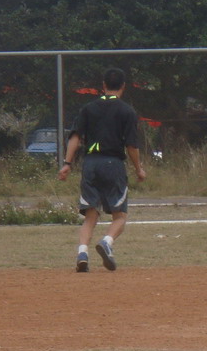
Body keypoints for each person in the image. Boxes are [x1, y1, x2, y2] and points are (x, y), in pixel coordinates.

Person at [58, 67, 146, 272]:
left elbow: (75, 137)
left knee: (90, 215)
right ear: (123, 86)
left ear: (103, 85)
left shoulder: (88, 109)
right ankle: (106, 241)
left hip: (90, 164)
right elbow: (131, 146)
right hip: (113, 164)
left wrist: (67, 164)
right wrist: (138, 169)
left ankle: (82, 254)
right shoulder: (127, 111)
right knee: (119, 216)